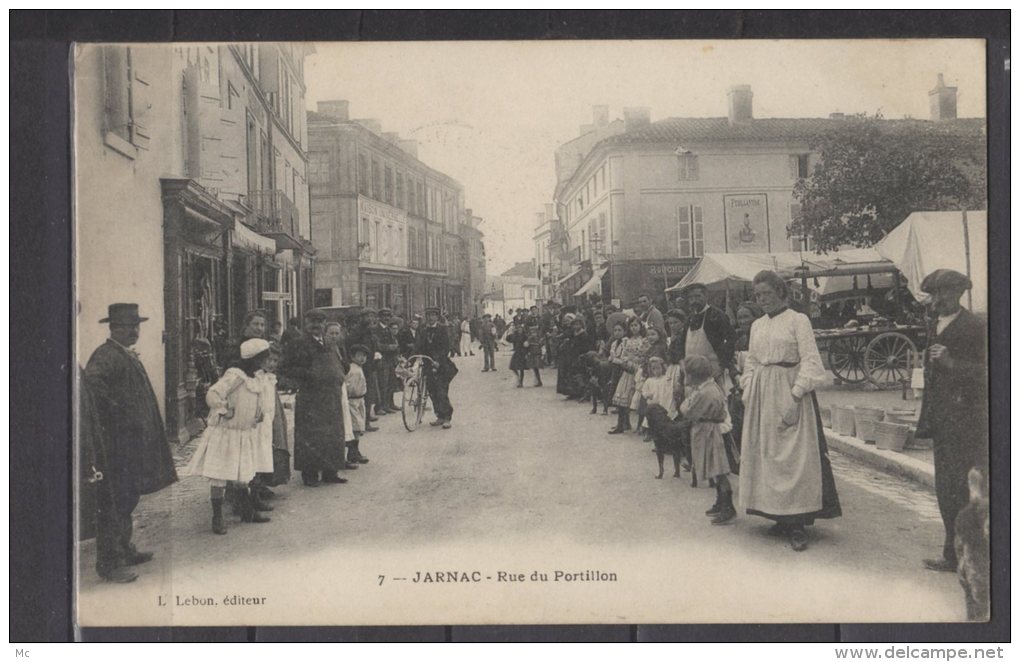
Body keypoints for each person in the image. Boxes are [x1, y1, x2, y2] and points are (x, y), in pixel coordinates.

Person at [738, 270, 841, 551]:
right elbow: (752, 361)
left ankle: (797, 522)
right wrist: (749, 388)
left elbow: (810, 360)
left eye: (767, 294)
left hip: (790, 389)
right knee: (769, 456)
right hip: (762, 394)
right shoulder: (757, 325)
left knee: (794, 457)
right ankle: (778, 516)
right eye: (758, 295)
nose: (762, 300)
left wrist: (796, 395)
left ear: (780, 292)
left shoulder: (799, 320)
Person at [84, 304, 177, 582]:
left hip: (132, 442)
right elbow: (94, 391)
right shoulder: (105, 356)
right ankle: (110, 563)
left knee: (128, 497)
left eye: (136, 326)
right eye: (127, 327)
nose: (134, 331)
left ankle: (125, 549)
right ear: (113, 329)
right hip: (116, 444)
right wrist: (122, 416)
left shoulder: (124, 354)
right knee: (115, 502)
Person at [914, 269, 989, 573]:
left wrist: (951, 363)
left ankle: (973, 556)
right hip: (941, 419)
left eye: (944, 293)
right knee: (945, 489)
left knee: (966, 490)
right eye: (934, 294)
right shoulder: (934, 324)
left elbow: (989, 374)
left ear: (959, 292)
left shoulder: (976, 326)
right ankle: (951, 553)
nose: (938, 300)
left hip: (967, 421)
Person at [185, 338, 275, 534]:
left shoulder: (256, 379)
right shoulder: (234, 376)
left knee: (243, 474)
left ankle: (246, 510)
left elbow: (257, 399)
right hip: (226, 434)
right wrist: (223, 409)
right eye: (264, 358)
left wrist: (258, 413)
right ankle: (217, 517)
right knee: (220, 476)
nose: (266, 362)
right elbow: (213, 394)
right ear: (254, 358)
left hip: (244, 434)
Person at [279, 309, 347, 487]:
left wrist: (339, 374)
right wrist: (309, 374)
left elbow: (340, 364)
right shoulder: (297, 344)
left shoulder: (329, 343)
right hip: (311, 397)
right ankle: (310, 474)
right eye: (312, 321)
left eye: (320, 321)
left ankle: (330, 471)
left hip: (332, 395)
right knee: (311, 435)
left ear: (324, 324)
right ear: (306, 323)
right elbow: (285, 369)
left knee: (332, 433)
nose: (316, 325)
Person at [681, 355, 738, 525]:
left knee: (719, 471)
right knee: (715, 470)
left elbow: (688, 410)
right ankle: (720, 501)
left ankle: (728, 506)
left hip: (710, 434)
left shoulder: (705, 392)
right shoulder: (708, 387)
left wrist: (686, 403)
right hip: (707, 432)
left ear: (695, 375)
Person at [677, 283, 736, 384]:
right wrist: (681, 362)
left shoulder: (716, 315)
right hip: (691, 372)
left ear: (706, 296)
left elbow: (731, 339)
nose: (694, 300)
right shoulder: (689, 319)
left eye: (697, 296)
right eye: (691, 297)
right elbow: (681, 344)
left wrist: (722, 365)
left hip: (712, 370)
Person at [416, 307, 458, 428]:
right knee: (432, 391)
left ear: (437, 316)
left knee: (441, 391)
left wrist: (438, 361)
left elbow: (446, 347)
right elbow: (418, 346)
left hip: (442, 365)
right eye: (428, 315)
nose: (430, 318)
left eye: (433, 315)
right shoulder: (423, 330)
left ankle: (447, 417)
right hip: (428, 365)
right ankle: (439, 415)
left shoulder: (443, 329)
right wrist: (410, 359)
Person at [609, 317, 648, 434]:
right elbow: (623, 354)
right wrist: (625, 362)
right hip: (627, 371)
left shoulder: (644, 341)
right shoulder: (626, 340)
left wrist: (636, 364)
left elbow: (644, 357)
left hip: (639, 371)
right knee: (623, 398)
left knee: (640, 399)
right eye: (631, 326)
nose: (634, 328)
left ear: (640, 327)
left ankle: (641, 426)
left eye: (636, 325)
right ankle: (622, 424)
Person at [344, 345, 372, 464]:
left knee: (358, 425)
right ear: (352, 357)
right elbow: (349, 387)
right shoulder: (353, 369)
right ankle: (353, 452)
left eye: (364, 356)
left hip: (359, 399)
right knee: (355, 426)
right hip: (353, 400)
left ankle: (354, 451)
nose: (362, 358)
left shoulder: (359, 368)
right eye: (359, 356)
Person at [376, 308, 401, 412]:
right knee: (383, 384)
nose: (386, 318)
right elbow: (376, 345)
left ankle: (390, 404)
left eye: (388, 316)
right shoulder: (376, 330)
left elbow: (395, 342)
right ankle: (381, 406)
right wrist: (389, 347)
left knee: (391, 383)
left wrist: (396, 348)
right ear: (380, 317)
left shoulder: (388, 329)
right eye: (384, 316)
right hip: (382, 361)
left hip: (390, 360)